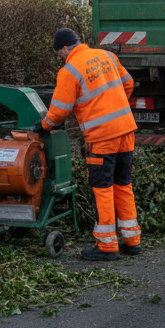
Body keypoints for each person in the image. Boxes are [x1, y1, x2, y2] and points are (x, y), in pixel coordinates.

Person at [35, 28, 141, 261]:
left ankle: (107, 246)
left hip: (102, 137)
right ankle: (132, 241)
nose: (60, 58)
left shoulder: (69, 70)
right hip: (126, 130)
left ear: (64, 48)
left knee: (102, 189)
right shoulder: (108, 56)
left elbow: (59, 111)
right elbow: (129, 84)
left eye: (58, 53)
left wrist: (43, 126)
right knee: (123, 184)